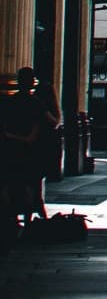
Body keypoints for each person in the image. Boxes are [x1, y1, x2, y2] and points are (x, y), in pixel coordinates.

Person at [0, 66, 62, 241]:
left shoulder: (9, 101)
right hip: (28, 151)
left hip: (9, 149)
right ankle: (28, 222)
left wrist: (8, 136)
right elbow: (53, 122)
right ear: (32, 82)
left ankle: (10, 219)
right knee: (29, 185)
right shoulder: (35, 103)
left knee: (7, 184)